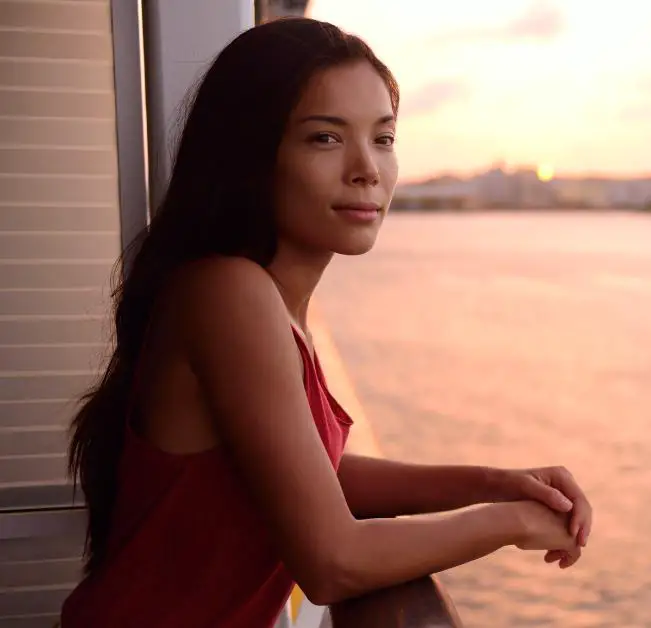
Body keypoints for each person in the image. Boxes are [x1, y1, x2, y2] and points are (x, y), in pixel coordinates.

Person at [60, 17, 592, 627]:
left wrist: (496, 482)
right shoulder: (228, 294)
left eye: (384, 139)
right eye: (325, 139)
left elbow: (319, 471)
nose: (367, 169)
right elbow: (332, 561)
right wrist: (512, 521)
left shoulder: (265, 299)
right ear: (251, 156)